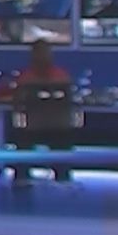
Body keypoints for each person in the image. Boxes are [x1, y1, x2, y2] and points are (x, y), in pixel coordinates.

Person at [10, 39, 74, 184]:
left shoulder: (26, 78)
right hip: (53, 129)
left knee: (22, 140)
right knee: (60, 142)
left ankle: (22, 178)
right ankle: (62, 178)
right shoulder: (61, 76)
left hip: (37, 129)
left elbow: (17, 103)